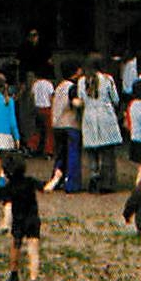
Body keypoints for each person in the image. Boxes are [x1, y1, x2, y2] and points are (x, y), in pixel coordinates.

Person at [0, 152, 43, 281]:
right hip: (32, 219)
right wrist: (56, 179)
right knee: (33, 250)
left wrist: (1, 178)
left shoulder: (8, 188)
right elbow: (44, 187)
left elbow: (4, 201)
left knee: (15, 245)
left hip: (18, 220)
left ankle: (14, 273)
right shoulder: (29, 182)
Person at [79, 55, 123, 194]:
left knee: (92, 151)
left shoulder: (82, 81)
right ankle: (107, 183)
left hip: (89, 116)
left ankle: (94, 177)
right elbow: (115, 99)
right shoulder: (108, 79)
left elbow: (81, 99)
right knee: (107, 151)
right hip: (105, 115)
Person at [44, 57, 83, 193]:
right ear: (76, 71)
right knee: (73, 153)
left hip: (57, 125)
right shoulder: (72, 87)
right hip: (70, 124)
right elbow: (75, 102)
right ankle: (72, 183)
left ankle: (56, 178)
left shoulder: (59, 86)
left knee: (61, 154)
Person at [30, 72, 55, 159]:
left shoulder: (35, 84)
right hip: (47, 108)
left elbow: (32, 96)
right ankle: (48, 151)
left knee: (37, 130)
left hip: (37, 108)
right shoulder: (49, 84)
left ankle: (33, 147)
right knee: (49, 131)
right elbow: (51, 97)